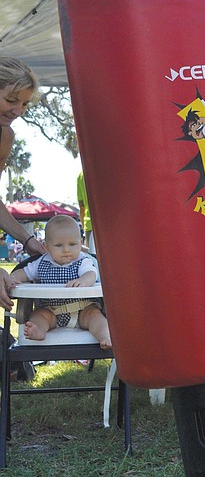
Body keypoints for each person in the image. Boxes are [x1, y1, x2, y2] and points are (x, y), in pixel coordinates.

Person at [9, 215, 111, 349]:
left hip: (82, 308)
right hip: (51, 311)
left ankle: (105, 335)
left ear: (80, 243)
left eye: (73, 244)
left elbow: (91, 273)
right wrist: (13, 278)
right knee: (38, 316)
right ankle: (38, 329)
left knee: (95, 317)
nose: (66, 250)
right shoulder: (42, 263)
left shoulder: (82, 261)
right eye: (58, 245)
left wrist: (84, 280)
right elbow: (25, 273)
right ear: (46, 247)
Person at [0, 57, 46, 311]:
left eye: (24, 104)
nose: (18, 111)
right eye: (11, 100)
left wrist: (29, 242)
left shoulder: (4, 136)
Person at [77, 171, 96, 253]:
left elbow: (82, 207)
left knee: (93, 261)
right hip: (112, 224)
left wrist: (84, 228)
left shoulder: (81, 175)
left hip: (89, 224)